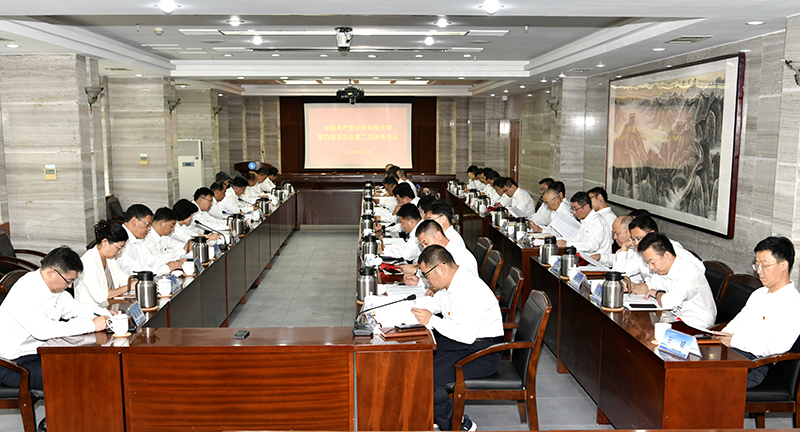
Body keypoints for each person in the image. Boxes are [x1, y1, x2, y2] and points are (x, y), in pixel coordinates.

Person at [410, 245, 502, 432]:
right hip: (462, 344)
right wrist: (412, 307)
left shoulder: (468, 288)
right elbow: (436, 304)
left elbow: (465, 335)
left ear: (441, 268)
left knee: (426, 376)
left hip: (482, 353)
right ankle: (431, 412)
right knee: (417, 361)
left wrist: (431, 319)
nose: (426, 280)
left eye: (426, 275)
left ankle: (458, 425)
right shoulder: (452, 282)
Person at [0, 246, 112, 392]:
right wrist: (91, 325)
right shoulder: (26, 290)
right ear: (51, 273)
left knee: (89, 363)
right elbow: (43, 330)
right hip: (14, 364)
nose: (70, 286)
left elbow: (75, 308)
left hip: (39, 352)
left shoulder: (53, 286)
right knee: (77, 375)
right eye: (68, 281)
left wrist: (105, 313)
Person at [717, 236, 800, 388]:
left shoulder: (793, 303)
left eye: (764, 266)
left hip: (756, 366)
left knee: (704, 380)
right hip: (733, 354)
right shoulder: (759, 293)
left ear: (783, 265)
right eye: (757, 265)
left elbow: (776, 349)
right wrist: (722, 336)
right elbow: (737, 322)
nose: (759, 271)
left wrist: (734, 341)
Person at [633, 233, 716, 328]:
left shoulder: (688, 271)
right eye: (647, 263)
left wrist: (657, 293)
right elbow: (648, 287)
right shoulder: (661, 270)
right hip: (674, 319)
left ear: (667, 255)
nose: (650, 267)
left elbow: (667, 302)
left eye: (652, 262)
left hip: (696, 325)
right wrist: (633, 286)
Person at [74, 221, 131, 307]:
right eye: (118, 248)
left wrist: (139, 281)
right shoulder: (87, 261)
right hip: (91, 311)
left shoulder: (109, 258)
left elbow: (122, 278)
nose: (119, 252)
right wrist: (128, 287)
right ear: (105, 242)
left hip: (109, 307)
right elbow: (99, 296)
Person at [556, 192, 613, 257]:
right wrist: (558, 240)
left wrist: (567, 244)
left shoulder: (597, 221)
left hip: (597, 260)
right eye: (572, 209)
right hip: (585, 257)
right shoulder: (584, 220)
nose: (574, 212)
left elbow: (593, 246)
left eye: (576, 209)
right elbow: (577, 239)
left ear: (586, 207)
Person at [116, 204, 155, 274]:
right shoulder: (119, 239)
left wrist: (167, 266)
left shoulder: (138, 238)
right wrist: (165, 269)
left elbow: (151, 260)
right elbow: (133, 269)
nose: (149, 229)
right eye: (147, 225)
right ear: (133, 221)